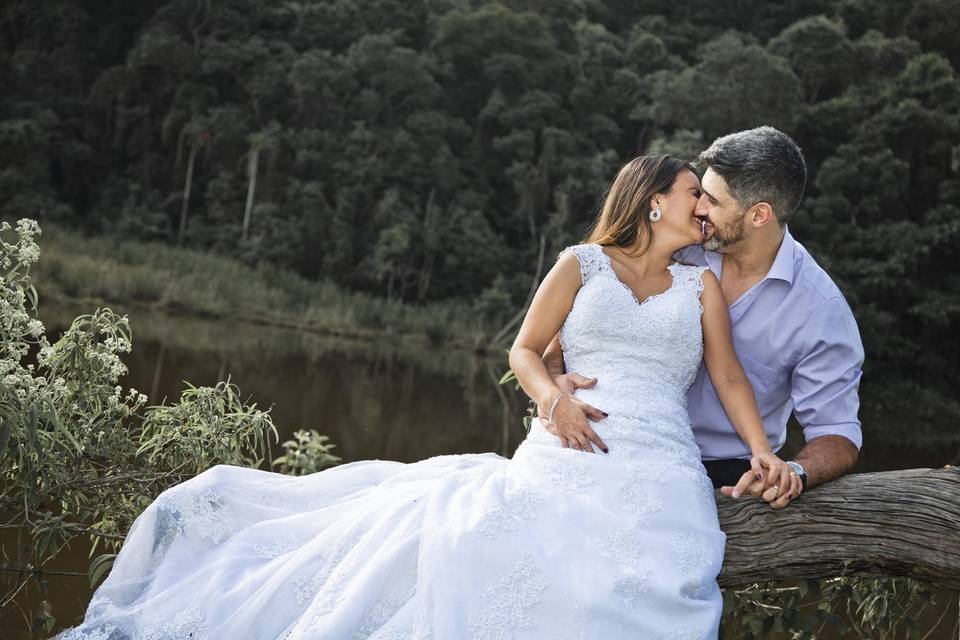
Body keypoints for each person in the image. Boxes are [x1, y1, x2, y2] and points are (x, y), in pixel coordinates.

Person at [58, 155, 786, 640]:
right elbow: (525, 350)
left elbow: (726, 378)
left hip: (658, 463)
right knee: (491, 537)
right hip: (568, 442)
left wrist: (761, 451)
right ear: (654, 200)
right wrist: (550, 400)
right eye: (695, 192)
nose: (704, 206)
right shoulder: (581, 264)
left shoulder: (701, 286)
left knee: (641, 586)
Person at [541, 126, 864, 508]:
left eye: (711, 199)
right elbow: (566, 336)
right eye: (698, 194)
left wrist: (793, 472)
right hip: (606, 437)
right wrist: (551, 388)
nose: (699, 209)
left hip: (724, 468)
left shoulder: (819, 309)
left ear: (759, 214)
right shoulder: (680, 244)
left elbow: (837, 432)